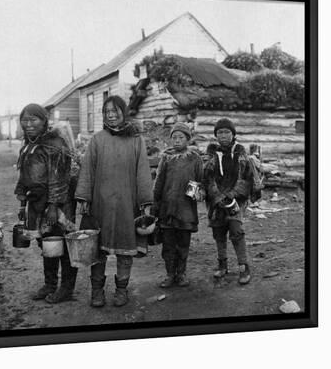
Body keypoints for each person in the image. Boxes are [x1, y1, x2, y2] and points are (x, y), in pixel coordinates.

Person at [75, 95, 153, 307]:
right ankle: (97, 292)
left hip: (127, 204)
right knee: (98, 250)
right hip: (100, 204)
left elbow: (143, 173)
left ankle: (121, 290)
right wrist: (84, 197)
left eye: (115, 111)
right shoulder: (97, 140)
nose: (111, 115)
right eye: (106, 112)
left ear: (123, 112)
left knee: (124, 249)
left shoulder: (136, 140)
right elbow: (87, 170)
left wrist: (146, 201)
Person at [15, 103, 78, 303]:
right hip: (36, 204)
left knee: (63, 246)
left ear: (44, 121)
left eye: (34, 119)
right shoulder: (29, 145)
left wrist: (53, 206)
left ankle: (66, 289)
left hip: (57, 206)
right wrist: (22, 203)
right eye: (25, 119)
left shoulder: (55, 144)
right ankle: (50, 284)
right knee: (47, 244)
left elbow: (59, 177)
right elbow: (23, 176)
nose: (28, 123)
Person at [151, 123, 204, 288]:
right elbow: (158, 182)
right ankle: (169, 274)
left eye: (181, 137)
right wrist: (155, 203)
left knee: (183, 244)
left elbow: (201, 181)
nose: (177, 140)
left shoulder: (195, 159)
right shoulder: (166, 158)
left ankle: (181, 274)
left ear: (188, 139)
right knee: (168, 245)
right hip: (167, 209)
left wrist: (197, 191)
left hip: (186, 210)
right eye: (174, 137)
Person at [203, 118, 253, 285]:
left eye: (227, 132)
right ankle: (222, 264)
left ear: (233, 134)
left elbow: (245, 179)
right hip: (216, 202)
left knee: (236, 231)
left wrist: (232, 195)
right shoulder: (211, 156)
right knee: (218, 233)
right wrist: (217, 197)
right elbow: (207, 179)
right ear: (216, 135)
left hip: (235, 201)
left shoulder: (241, 155)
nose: (223, 135)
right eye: (220, 132)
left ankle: (243, 266)